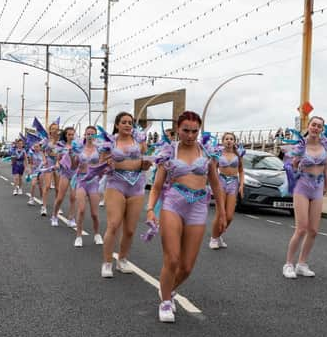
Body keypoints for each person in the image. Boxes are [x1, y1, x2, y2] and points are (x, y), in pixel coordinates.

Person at [147, 111, 226, 323]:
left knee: (187, 267)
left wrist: (222, 212)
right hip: (173, 203)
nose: (190, 135)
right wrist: (150, 210)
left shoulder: (207, 153)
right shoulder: (169, 151)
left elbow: (216, 185)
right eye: (186, 131)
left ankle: (167, 289)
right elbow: (156, 187)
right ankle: (165, 301)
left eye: (194, 131)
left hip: (199, 205)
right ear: (178, 130)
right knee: (172, 259)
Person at [282, 116, 327, 279]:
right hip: (302, 186)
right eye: (313, 125)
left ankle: (302, 264)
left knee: (313, 230)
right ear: (309, 126)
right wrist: (295, 162)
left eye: (319, 126)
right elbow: (291, 166)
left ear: (322, 129)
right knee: (301, 228)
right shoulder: (300, 145)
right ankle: (288, 264)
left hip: (318, 187)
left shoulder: (326, 146)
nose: (316, 128)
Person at [100, 112, 152, 278]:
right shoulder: (110, 142)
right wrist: (107, 163)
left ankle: (122, 260)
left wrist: (145, 165)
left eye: (130, 122)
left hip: (136, 184)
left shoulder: (139, 142)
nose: (128, 125)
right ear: (117, 125)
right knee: (114, 224)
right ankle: (107, 262)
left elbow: (145, 162)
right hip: (116, 183)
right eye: (124, 122)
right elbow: (101, 162)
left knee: (130, 230)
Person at [209, 132, 245, 249]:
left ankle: (218, 235)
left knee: (229, 216)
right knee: (220, 213)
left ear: (234, 141)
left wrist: (241, 185)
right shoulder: (218, 154)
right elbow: (213, 170)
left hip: (233, 183)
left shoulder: (238, 154)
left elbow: (241, 170)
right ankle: (213, 238)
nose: (229, 141)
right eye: (226, 139)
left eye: (231, 139)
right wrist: (213, 185)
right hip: (221, 182)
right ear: (223, 141)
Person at [73, 126, 103, 247]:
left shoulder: (99, 149)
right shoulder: (80, 149)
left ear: (96, 135)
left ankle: (97, 234)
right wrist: (75, 156)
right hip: (81, 180)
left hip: (94, 181)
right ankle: (79, 236)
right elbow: (74, 164)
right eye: (88, 133)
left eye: (92, 134)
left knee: (94, 213)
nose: (90, 136)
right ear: (84, 135)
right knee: (81, 210)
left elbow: (102, 164)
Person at [51, 127, 77, 228]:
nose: (71, 136)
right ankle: (54, 216)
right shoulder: (61, 146)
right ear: (65, 135)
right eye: (69, 134)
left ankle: (71, 218)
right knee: (60, 197)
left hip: (75, 173)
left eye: (72, 134)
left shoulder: (77, 146)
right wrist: (57, 164)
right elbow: (58, 159)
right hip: (65, 173)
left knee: (73, 197)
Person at [39, 122, 60, 216]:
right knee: (47, 186)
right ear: (50, 130)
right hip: (49, 163)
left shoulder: (61, 141)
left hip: (58, 164)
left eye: (57, 129)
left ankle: (57, 207)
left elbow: (63, 152)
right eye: (53, 128)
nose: (55, 130)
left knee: (58, 188)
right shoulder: (46, 140)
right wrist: (44, 159)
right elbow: (41, 150)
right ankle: (43, 207)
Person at [27, 141, 44, 206]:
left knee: (40, 186)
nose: (36, 148)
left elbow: (45, 162)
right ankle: (31, 199)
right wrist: (29, 170)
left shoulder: (42, 154)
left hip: (41, 171)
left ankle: (42, 198)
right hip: (34, 171)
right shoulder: (32, 154)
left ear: (40, 147)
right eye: (35, 147)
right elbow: (30, 163)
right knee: (33, 184)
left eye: (37, 147)